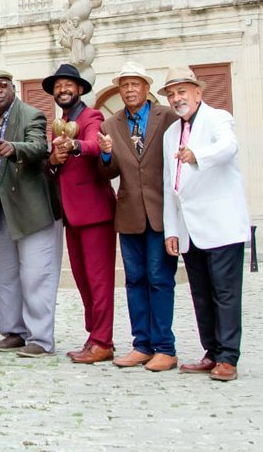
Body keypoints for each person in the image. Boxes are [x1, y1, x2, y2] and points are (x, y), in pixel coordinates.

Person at [160, 66, 250, 383]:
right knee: (200, 294)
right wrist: (171, 229)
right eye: (171, 94)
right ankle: (211, 351)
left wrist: (197, 154)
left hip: (221, 224)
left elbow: (228, 147)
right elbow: (169, 184)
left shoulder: (218, 119)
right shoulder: (171, 134)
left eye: (182, 91)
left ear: (198, 92)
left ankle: (228, 357)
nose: (177, 98)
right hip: (189, 227)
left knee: (225, 293)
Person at [96, 62, 180, 372]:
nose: (129, 90)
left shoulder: (167, 117)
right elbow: (108, 173)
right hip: (130, 213)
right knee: (134, 281)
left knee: (160, 279)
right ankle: (142, 345)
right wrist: (106, 154)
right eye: (124, 85)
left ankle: (165, 347)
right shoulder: (111, 125)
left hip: (161, 212)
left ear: (146, 88)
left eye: (135, 84)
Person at [0, 70, 58, 358]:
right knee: (6, 277)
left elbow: (39, 147)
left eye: (3, 85)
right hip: (1, 211)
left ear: (13, 88)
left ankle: (41, 339)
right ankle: (14, 332)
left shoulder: (31, 115)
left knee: (36, 275)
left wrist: (14, 148)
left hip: (31, 210)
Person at [43, 64, 116, 365]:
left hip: (95, 212)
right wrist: (53, 159)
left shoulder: (91, 117)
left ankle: (103, 341)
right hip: (71, 213)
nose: (63, 90)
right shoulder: (58, 124)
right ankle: (93, 336)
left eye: (68, 85)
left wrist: (73, 146)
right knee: (83, 279)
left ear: (80, 89)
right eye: (58, 86)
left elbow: (94, 145)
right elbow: (55, 166)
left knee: (99, 281)